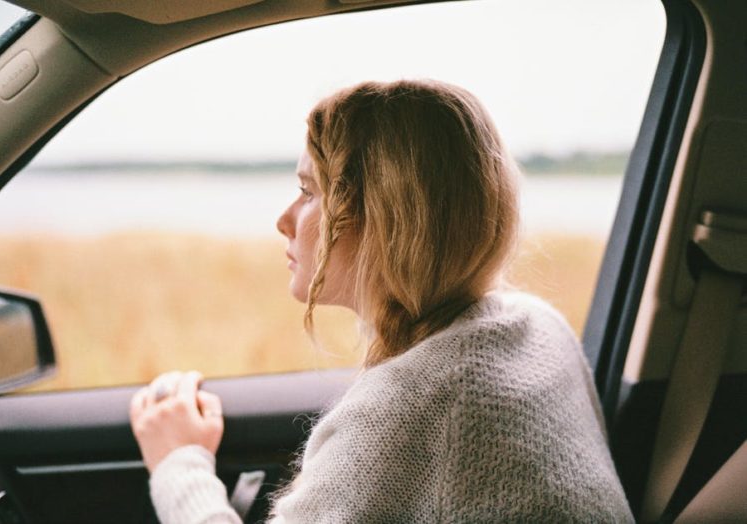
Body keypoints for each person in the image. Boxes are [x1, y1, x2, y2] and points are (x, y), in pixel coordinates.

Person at [129, 80, 634, 523]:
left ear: (388, 218)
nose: (284, 220)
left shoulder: (407, 412)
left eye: (309, 192)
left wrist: (180, 464)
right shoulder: (540, 329)